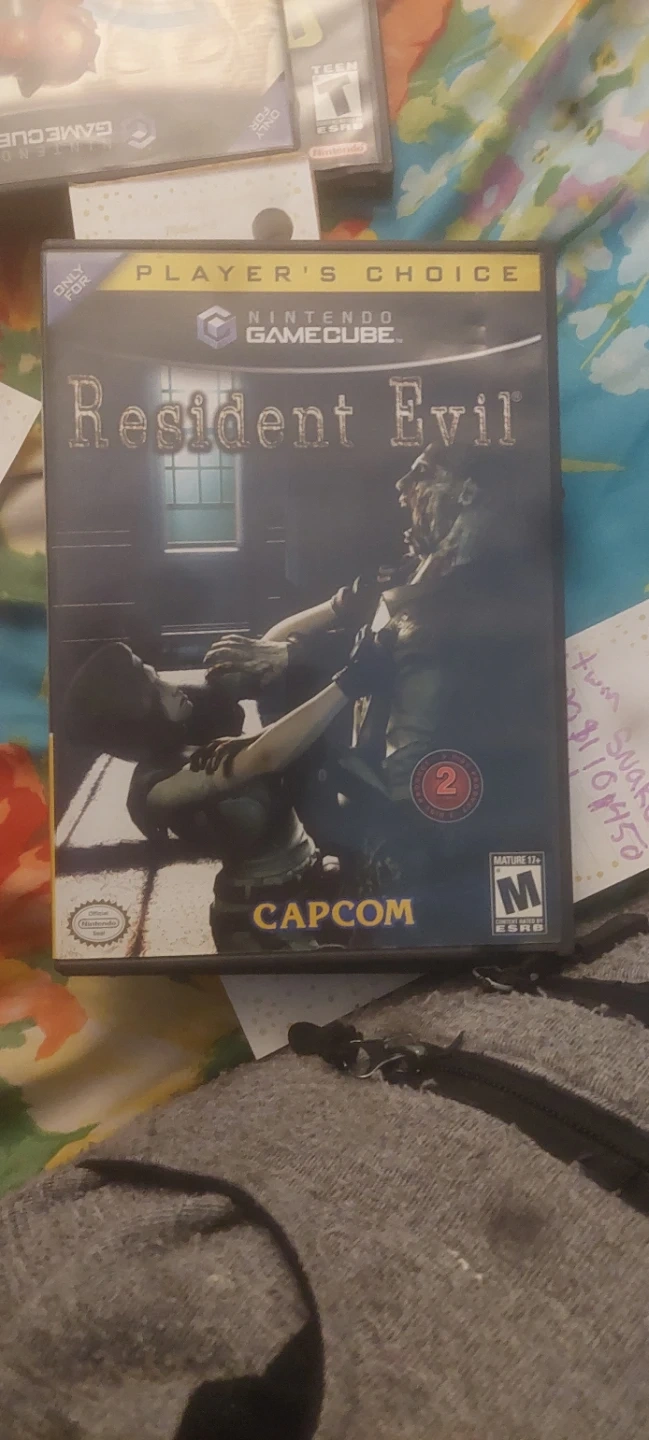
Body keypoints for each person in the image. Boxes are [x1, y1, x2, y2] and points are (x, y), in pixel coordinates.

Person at [202, 446, 536, 932]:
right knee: (272, 693)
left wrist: (274, 745)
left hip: (425, 818)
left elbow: (390, 669)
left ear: (467, 494)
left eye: (422, 475)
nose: (401, 488)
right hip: (384, 774)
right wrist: (331, 616)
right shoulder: (414, 573)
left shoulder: (468, 602)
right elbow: (298, 644)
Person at [63, 633, 390, 954]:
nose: (171, 687)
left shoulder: (191, 733)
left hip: (313, 881)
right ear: (135, 715)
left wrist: (340, 606)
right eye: (155, 687)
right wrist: (347, 683)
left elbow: (270, 641)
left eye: (158, 676)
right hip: (258, 920)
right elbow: (265, 756)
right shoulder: (157, 789)